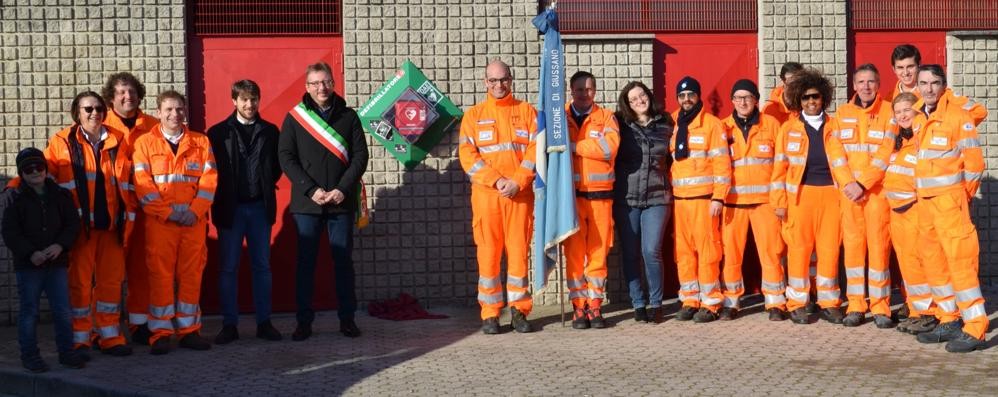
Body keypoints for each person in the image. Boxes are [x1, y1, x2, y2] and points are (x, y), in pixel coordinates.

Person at [279, 62, 369, 340]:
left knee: (343, 262)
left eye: (326, 82)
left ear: (333, 83)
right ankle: (304, 321)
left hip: (340, 202)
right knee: (306, 264)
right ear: (307, 87)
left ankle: (347, 319)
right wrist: (310, 190)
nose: (322, 87)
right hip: (308, 204)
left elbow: (360, 157)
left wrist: (343, 188)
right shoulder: (295, 118)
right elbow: (286, 157)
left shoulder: (349, 116)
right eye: (316, 83)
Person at [43, 91, 132, 357]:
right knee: (79, 284)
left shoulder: (118, 141)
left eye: (98, 109)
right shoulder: (62, 141)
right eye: (88, 109)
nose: (94, 113)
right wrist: (15, 188)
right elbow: (44, 173)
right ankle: (79, 339)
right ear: (77, 114)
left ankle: (109, 336)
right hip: (80, 229)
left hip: (111, 226)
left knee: (111, 283)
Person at [132, 90, 217, 354]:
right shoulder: (144, 144)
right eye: (168, 109)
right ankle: (160, 332)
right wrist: (167, 213)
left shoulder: (200, 142)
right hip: (161, 225)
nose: (174, 114)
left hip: (193, 223)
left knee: (191, 276)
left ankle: (190, 331)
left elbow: (209, 180)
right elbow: (143, 184)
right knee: (160, 277)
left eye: (179, 109)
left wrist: (195, 210)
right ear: (158, 113)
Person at [911, 65, 988, 353]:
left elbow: (974, 164)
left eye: (934, 83)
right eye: (923, 83)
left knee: (961, 262)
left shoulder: (958, 117)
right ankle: (948, 319)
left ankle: (975, 327)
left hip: (950, 203)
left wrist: (961, 197)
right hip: (926, 203)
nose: (928, 88)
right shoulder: (919, 117)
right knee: (934, 262)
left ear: (944, 85)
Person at [457, 60, 537, 334]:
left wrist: (518, 181)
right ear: (485, 83)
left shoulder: (527, 111)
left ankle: (519, 311)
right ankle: (490, 314)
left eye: (503, 79)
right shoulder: (474, 116)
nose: (499, 85)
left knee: (518, 255)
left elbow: (536, 150)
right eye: (493, 80)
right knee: (488, 255)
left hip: (519, 196)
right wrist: (497, 180)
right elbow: (468, 157)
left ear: (511, 80)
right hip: (487, 197)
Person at [772, 68, 856, 325]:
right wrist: (778, 202)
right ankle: (798, 302)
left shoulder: (836, 127)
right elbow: (779, 169)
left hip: (831, 195)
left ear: (824, 99)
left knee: (829, 249)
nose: (811, 102)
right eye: (806, 97)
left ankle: (829, 301)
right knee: (799, 249)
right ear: (799, 100)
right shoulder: (788, 129)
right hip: (800, 197)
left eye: (816, 97)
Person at [207, 80, 283, 344]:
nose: (249, 105)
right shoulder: (217, 133)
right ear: (234, 101)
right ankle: (230, 325)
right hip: (231, 208)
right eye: (244, 100)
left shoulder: (271, 131)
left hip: (259, 208)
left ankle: (264, 322)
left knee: (262, 267)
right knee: (228, 268)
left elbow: (276, 167)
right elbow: (211, 170)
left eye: (253, 100)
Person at [2, 148, 86, 372]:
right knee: (29, 312)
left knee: (63, 310)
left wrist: (60, 245)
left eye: (39, 167)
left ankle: (67, 353)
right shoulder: (13, 197)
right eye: (28, 169)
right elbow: (10, 232)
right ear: (22, 173)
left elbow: (72, 225)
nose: (35, 172)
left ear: (45, 169)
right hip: (29, 266)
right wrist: (31, 253)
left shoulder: (61, 195)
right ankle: (30, 356)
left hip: (56, 264)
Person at [719, 79, 787, 321]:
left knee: (771, 252)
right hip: (733, 203)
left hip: (764, 203)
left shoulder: (771, 125)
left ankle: (775, 301)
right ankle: (731, 300)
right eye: (738, 97)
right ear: (732, 101)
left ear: (756, 99)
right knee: (731, 255)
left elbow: (781, 165)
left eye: (747, 97)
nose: (743, 102)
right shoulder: (723, 128)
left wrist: (780, 201)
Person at [833, 64, 896, 328]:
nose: (866, 86)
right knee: (854, 250)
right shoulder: (842, 113)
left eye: (871, 81)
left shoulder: (889, 112)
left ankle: (881, 307)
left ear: (878, 84)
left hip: (877, 193)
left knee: (880, 249)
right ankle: (857, 305)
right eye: (861, 82)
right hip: (850, 195)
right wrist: (849, 184)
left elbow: (886, 153)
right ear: (854, 85)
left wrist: (863, 183)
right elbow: (835, 153)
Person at [101, 72, 159, 345]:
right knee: (107, 275)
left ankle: (139, 325)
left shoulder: (154, 125)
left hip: (145, 211)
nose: (128, 96)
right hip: (114, 213)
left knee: (141, 271)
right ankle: (103, 329)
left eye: (132, 91)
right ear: (111, 97)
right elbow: (60, 157)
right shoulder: (98, 125)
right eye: (122, 92)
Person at [669, 76, 731, 323]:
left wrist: (719, 197)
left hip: (705, 200)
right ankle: (690, 299)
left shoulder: (712, 125)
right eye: (682, 96)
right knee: (683, 252)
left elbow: (722, 164)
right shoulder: (673, 122)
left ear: (698, 96)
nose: (686, 100)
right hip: (680, 200)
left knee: (707, 251)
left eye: (690, 95)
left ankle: (711, 301)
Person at [878, 93, 940, 335]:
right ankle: (917, 311)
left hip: (916, 211)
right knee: (908, 266)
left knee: (922, 264)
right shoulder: (899, 142)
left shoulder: (922, 140)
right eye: (898, 111)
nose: (903, 115)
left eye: (907, 110)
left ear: (917, 111)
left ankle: (932, 312)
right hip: (898, 214)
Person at [613, 81, 673, 324]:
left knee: (651, 251)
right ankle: (638, 303)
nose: (639, 101)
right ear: (626, 105)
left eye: (642, 95)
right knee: (630, 253)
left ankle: (656, 303)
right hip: (626, 200)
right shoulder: (619, 126)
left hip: (658, 197)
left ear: (649, 95)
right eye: (632, 99)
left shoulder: (667, 123)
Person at [564, 71, 620, 330]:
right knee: (575, 256)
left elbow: (609, 149)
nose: (583, 94)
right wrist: (589, 146)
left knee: (598, 255)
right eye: (578, 89)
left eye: (588, 89)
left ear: (595, 91)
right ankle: (578, 307)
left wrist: (575, 146)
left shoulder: (606, 117)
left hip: (600, 197)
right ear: (570, 90)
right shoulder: (560, 116)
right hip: (571, 198)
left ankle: (595, 306)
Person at [762, 62, 804, 126]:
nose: (795, 85)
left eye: (798, 80)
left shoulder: (808, 106)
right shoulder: (770, 110)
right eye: (791, 80)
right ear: (783, 81)